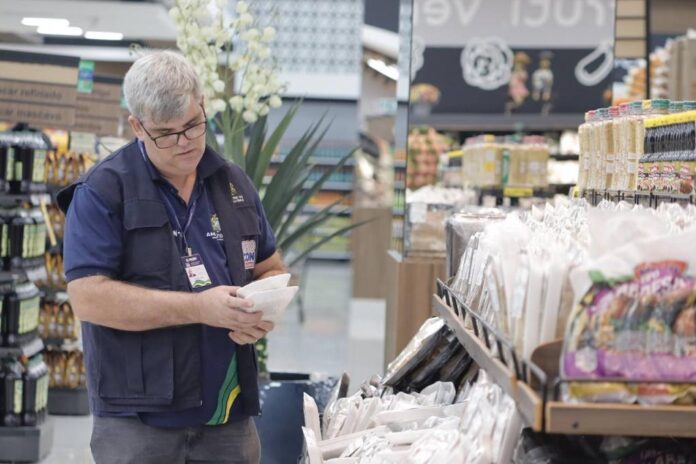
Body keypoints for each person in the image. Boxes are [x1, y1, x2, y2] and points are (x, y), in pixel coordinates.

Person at [57, 50, 287, 463]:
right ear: (137, 126)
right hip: (139, 418)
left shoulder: (232, 183)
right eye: (166, 133)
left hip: (227, 410)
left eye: (193, 126)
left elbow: (272, 265)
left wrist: (262, 310)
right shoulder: (103, 191)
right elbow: (89, 297)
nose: (185, 143)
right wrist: (201, 308)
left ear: (202, 105)